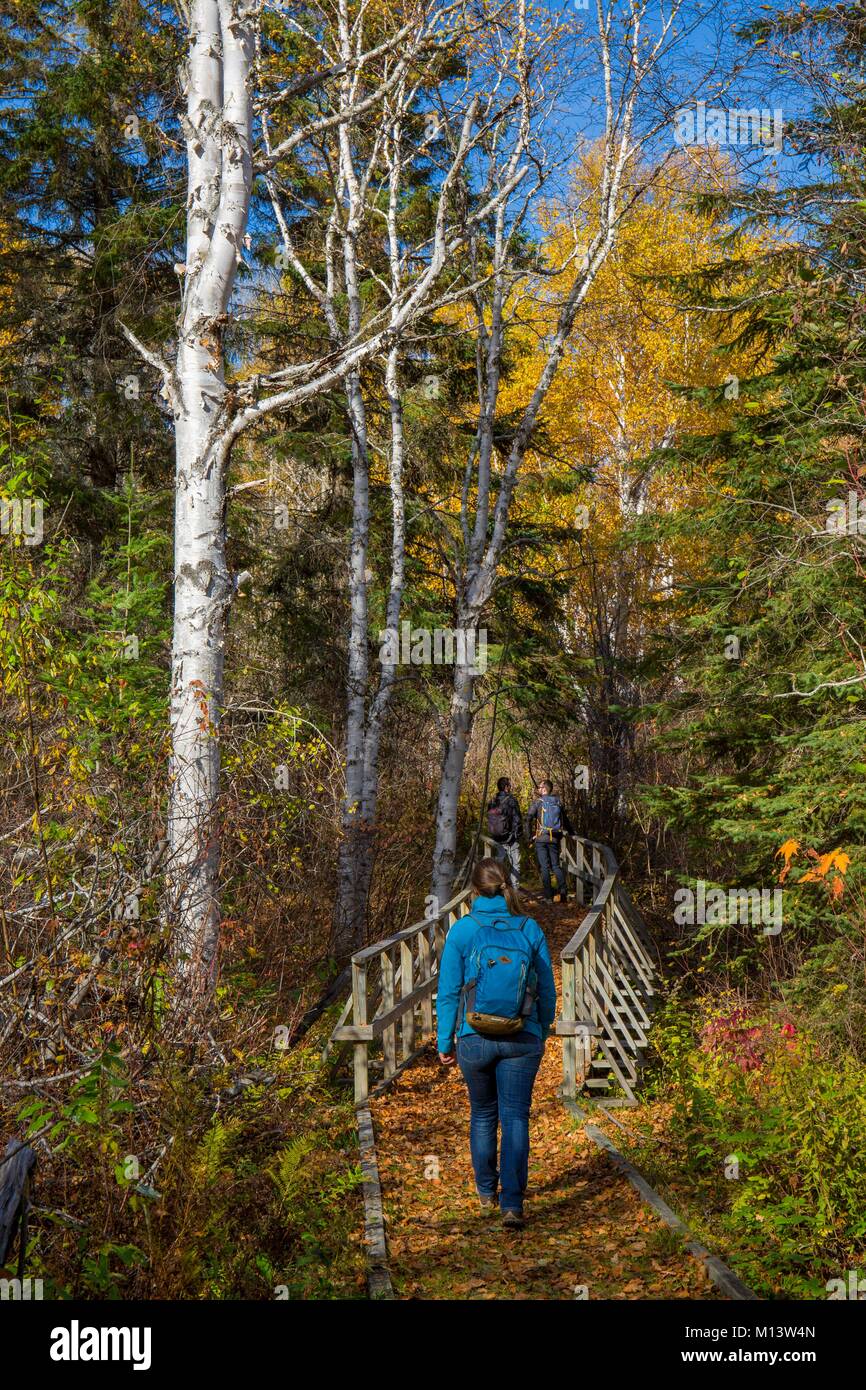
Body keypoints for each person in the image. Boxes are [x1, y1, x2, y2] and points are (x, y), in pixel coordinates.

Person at [437, 857, 557, 1228]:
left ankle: (487, 1190)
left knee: (483, 1113)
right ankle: (512, 1204)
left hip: (475, 1038)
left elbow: (449, 991)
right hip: (523, 1036)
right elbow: (547, 987)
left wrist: (445, 1041)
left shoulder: (462, 930)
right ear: (507, 887)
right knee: (516, 1117)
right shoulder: (529, 928)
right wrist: (543, 1025)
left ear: (474, 890)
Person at [525, 779, 573, 903]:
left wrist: (529, 837)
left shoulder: (538, 803)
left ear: (545, 789)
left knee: (545, 868)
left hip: (541, 838)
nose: (538, 789)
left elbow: (528, 819)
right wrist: (572, 834)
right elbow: (565, 821)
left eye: (540, 787)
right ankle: (563, 892)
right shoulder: (557, 802)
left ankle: (548, 897)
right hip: (555, 838)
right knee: (556, 866)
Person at [486, 776, 523, 885]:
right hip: (510, 838)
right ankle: (514, 891)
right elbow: (517, 819)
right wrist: (517, 835)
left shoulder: (492, 801)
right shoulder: (511, 800)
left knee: (498, 864)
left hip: (497, 837)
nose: (510, 787)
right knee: (515, 864)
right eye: (509, 785)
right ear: (506, 787)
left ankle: (497, 888)